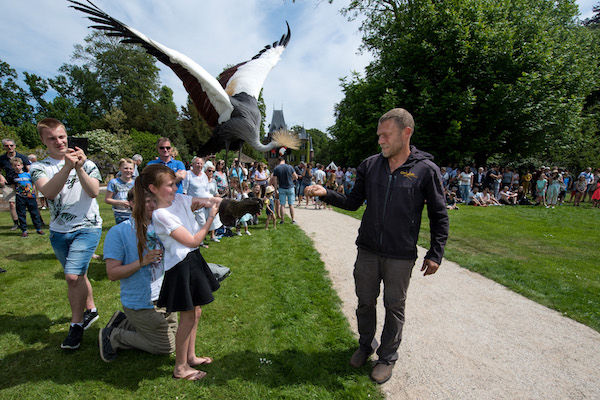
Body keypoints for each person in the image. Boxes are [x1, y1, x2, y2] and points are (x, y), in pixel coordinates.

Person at [305, 108, 449, 384]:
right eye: (379, 135)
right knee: (365, 302)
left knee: (394, 307)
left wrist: (435, 252)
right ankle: (365, 344)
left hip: (401, 255)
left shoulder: (425, 170)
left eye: (386, 135)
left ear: (406, 133)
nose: (380, 140)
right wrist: (327, 194)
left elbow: (439, 214)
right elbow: (353, 202)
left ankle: (387, 358)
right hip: (368, 250)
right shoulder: (370, 166)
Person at [135, 164, 221, 380]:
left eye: (175, 184)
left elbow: (200, 201)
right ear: (153, 188)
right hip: (181, 268)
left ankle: (190, 357)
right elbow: (192, 240)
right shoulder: (161, 215)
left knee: (196, 312)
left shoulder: (180, 199)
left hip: (193, 261)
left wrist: (214, 200)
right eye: (170, 185)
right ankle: (180, 368)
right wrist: (211, 217)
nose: (174, 188)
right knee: (188, 317)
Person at [31, 118, 102, 350]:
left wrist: (79, 166)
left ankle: (76, 325)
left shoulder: (87, 163)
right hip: (59, 232)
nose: (59, 142)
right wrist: (67, 167)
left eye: (62, 137)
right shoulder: (39, 167)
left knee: (72, 277)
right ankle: (91, 309)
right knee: (78, 275)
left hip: (88, 227)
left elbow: (93, 192)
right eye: (52, 138)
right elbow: (49, 192)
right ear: (43, 140)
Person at [100, 189, 178, 362]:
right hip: (142, 303)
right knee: (167, 347)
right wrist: (141, 262)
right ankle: (114, 335)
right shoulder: (118, 232)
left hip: (166, 297)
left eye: (154, 200)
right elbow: (112, 274)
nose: (151, 205)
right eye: (145, 201)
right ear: (131, 204)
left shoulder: (162, 227)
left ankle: (125, 322)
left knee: (178, 338)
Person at [1, 138, 32, 230]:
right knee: (12, 204)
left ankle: (38, 221)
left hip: (23, 183)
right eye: (7, 146)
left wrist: (29, 181)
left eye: (11, 145)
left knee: (29, 203)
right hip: (10, 184)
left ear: (14, 146)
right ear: (4, 147)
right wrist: (1, 177)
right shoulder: (2, 159)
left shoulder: (22, 157)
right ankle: (16, 223)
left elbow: (29, 169)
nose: (9, 147)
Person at [10, 157, 44, 237]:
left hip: (30, 196)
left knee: (34, 213)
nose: (17, 167)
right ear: (12, 167)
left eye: (18, 165)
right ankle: (24, 230)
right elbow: (13, 187)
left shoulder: (28, 174)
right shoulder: (13, 176)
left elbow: (33, 184)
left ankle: (38, 228)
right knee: (21, 214)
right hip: (20, 197)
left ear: (22, 165)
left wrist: (34, 193)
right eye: (15, 166)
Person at [105, 158, 136, 224]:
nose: (128, 170)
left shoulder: (136, 183)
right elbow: (107, 199)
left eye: (131, 169)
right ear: (120, 169)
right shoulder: (114, 182)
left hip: (134, 214)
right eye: (125, 168)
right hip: (120, 215)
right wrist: (121, 202)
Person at [270, 156, 298, 224]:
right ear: (284, 160)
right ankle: (293, 220)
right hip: (290, 187)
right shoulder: (290, 167)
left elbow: (275, 180)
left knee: (282, 205)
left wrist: (276, 189)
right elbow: (296, 177)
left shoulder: (276, 168)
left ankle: (282, 220)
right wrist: (291, 180)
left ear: (278, 161)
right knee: (291, 205)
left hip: (282, 188)